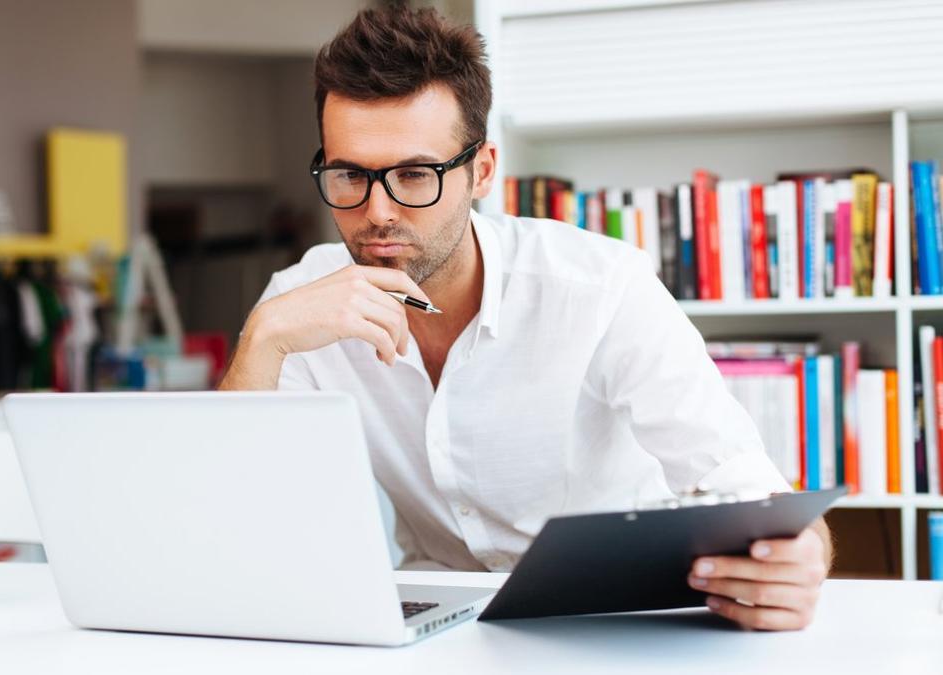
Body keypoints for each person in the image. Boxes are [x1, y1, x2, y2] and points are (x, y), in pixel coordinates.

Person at [218, 5, 831, 631]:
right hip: (441, 624)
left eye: (414, 174)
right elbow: (234, 519)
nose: (377, 212)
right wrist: (261, 340)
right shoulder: (299, 305)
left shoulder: (601, 288)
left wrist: (797, 557)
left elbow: (742, 482)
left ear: (481, 170)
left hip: (616, 613)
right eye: (350, 175)